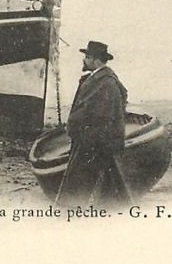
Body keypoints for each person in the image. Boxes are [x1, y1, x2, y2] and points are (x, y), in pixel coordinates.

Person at [55, 40, 132, 207]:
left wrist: (79, 131)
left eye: (87, 57)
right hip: (95, 141)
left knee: (81, 182)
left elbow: (100, 115)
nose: (84, 60)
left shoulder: (106, 83)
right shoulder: (99, 80)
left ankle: (73, 213)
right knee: (107, 182)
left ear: (96, 60)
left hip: (94, 143)